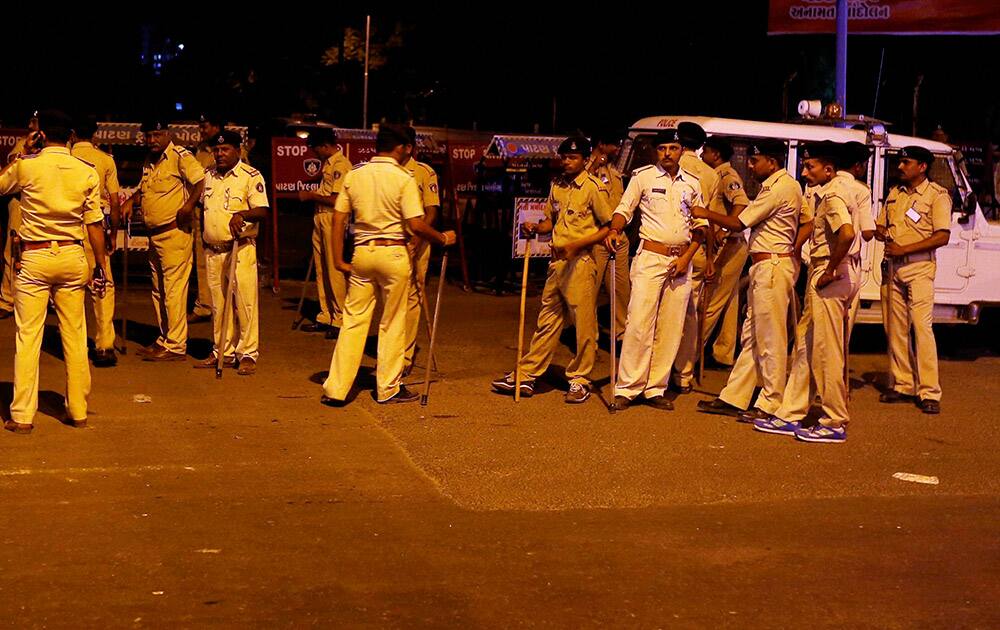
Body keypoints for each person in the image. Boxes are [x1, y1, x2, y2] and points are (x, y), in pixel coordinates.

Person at [321, 125, 455, 405]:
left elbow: (338, 219)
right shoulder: (402, 177)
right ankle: (388, 387)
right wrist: (441, 237)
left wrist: (337, 259)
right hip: (393, 252)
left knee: (353, 322)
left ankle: (336, 389)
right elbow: (415, 224)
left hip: (362, 252)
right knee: (392, 322)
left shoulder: (355, 174)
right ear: (403, 147)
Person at [0, 109, 107, 433]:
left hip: (35, 256)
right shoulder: (85, 171)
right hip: (73, 255)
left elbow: (2, 185)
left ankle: (22, 415)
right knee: (74, 335)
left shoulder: (27, 165)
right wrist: (100, 265)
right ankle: (77, 410)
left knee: (28, 336)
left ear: (41, 134)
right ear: (72, 136)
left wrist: (21, 150)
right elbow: (95, 224)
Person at [491, 136, 612, 403]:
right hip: (556, 262)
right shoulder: (557, 185)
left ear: (584, 159)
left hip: (580, 262)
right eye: (564, 158)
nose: (567, 162)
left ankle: (580, 379)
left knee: (584, 326)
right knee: (547, 321)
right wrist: (536, 227)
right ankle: (528, 374)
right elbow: (551, 221)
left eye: (572, 158)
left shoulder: (593, 188)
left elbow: (609, 226)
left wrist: (577, 245)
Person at [693, 140, 801, 422]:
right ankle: (735, 397)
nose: (751, 166)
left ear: (772, 163)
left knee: (770, 339)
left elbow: (741, 221)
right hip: (764, 265)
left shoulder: (779, 188)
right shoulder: (779, 185)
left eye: (755, 161)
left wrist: (705, 214)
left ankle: (770, 402)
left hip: (773, 266)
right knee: (752, 338)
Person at [605, 128, 708, 412]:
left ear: (681, 151)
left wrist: (687, 258)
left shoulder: (693, 184)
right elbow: (624, 209)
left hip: (681, 261)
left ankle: (655, 387)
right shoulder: (643, 177)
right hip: (651, 257)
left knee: (671, 326)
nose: (667, 154)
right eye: (662, 148)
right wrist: (615, 229)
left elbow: (701, 228)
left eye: (672, 148)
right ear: (656, 151)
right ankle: (628, 387)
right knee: (639, 322)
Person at [765, 142, 859, 443]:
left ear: (828, 169)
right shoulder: (844, 187)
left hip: (830, 272)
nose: (805, 172)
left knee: (825, 350)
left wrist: (830, 269)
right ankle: (791, 411)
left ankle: (834, 420)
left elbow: (847, 233)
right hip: (833, 270)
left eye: (811, 167)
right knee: (807, 345)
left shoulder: (831, 195)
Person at [876, 145, 952, 415]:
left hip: (919, 268)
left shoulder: (937, 196)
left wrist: (904, 249)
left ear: (922, 167)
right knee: (894, 329)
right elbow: (882, 224)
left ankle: (929, 391)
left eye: (906, 163)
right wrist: (882, 232)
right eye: (900, 162)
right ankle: (903, 384)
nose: (900, 167)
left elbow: (942, 236)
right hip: (893, 268)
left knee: (922, 328)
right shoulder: (895, 193)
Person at [193, 130, 268, 375]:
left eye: (225, 150)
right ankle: (221, 351)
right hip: (213, 250)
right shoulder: (208, 177)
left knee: (245, 302)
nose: (219, 154)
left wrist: (242, 215)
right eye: (216, 150)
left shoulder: (250, 176)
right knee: (218, 304)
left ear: (237, 150)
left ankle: (247, 353)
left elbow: (262, 211)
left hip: (240, 249)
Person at [135, 118, 205, 361]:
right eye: (149, 136)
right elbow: (145, 190)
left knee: (174, 290)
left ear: (167, 134)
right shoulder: (150, 160)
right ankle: (165, 338)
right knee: (159, 290)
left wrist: (188, 205)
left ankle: (176, 345)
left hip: (175, 233)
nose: (152, 140)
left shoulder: (180, 156)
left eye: (156, 135)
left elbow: (201, 181)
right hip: (155, 235)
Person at [672, 121, 721, 393]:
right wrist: (712, 257)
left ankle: (658, 370)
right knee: (690, 314)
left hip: (667, 248)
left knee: (661, 312)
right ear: (702, 146)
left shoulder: (667, 165)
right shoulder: (711, 175)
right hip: (698, 248)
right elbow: (708, 221)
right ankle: (684, 374)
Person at [70, 116, 122, 367]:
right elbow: (114, 202)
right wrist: (112, 234)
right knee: (102, 285)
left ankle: (75, 345)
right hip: (95, 226)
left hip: (68, 227)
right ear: (95, 135)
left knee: (71, 288)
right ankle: (103, 346)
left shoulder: (64, 157)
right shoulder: (105, 160)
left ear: (72, 135)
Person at [697, 136, 750, 368]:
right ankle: (724, 352)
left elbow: (741, 204)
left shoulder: (727, 176)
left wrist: (725, 229)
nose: (702, 156)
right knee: (729, 300)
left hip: (730, 245)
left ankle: (691, 353)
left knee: (711, 302)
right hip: (732, 244)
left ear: (716, 155)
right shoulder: (717, 175)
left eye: (705, 151)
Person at [298, 128, 352, 337]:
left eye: (315, 148)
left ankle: (339, 319)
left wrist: (311, 195)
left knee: (334, 269)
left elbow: (337, 199)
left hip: (333, 219)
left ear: (325, 146)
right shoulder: (328, 165)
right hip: (321, 218)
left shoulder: (341, 165)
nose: (314, 153)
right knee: (321, 269)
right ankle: (326, 314)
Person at [400, 125, 442, 375]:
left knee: (413, 297)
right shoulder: (388, 170)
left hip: (418, 241)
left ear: (410, 147)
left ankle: (405, 355)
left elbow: (432, 209)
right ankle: (390, 350)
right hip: (392, 242)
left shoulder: (424, 172)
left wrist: (417, 238)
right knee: (391, 299)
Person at [588, 130, 629, 341]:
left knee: (621, 289)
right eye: (615, 144)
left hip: (618, 235)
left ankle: (621, 335)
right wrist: (594, 165)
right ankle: (588, 336)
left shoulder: (614, 170)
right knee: (591, 290)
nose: (618, 148)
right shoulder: (587, 168)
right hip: (597, 236)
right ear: (602, 144)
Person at [188, 112, 227, 324]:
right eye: (200, 126)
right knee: (202, 258)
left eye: (206, 126)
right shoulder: (201, 149)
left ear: (217, 127)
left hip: (221, 211)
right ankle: (204, 304)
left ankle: (223, 303)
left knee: (223, 260)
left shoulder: (230, 148)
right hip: (200, 210)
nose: (202, 131)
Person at [0, 111, 39, 319]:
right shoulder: (23, 143)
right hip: (20, 203)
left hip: (43, 205)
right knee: (13, 252)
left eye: (35, 121)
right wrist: (26, 149)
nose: (31, 125)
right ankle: (7, 300)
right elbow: (11, 167)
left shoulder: (57, 146)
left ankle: (45, 300)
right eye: (31, 121)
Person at [837, 141, 876, 335]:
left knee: (813, 324)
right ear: (858, 166)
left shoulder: (821, 185)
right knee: (841, 327)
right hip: (845, 263)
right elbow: (868, 234)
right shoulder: (861, 190)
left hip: (818, 259)